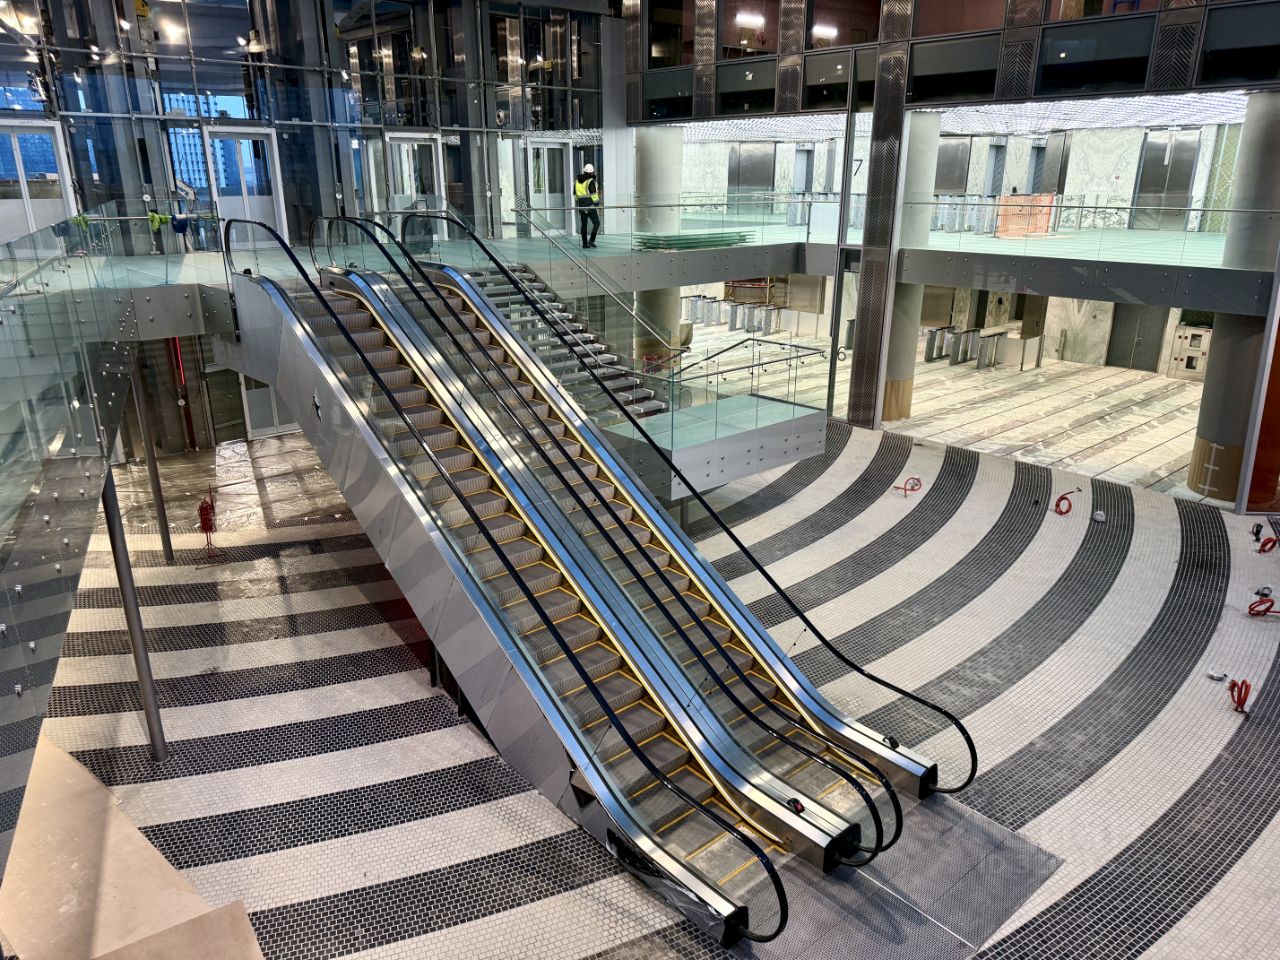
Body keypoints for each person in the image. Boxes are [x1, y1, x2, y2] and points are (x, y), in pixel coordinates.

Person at [574, 163, 600, 249]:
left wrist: (579, 202)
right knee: (596, 223)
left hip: (581, 206)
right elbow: (593, 194)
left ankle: (585, 244)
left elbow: (575, 195)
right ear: (592, 172)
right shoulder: (590, 181)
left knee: (584, 224)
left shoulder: (576, 182)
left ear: (584, 171)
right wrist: (597, 203)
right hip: (590, 206)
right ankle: (591, 240)